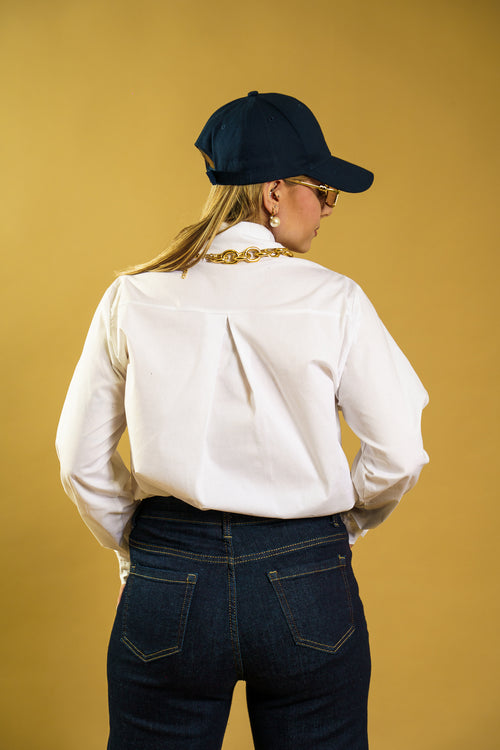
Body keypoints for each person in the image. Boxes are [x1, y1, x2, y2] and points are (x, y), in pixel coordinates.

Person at [56, 91, 429, 750]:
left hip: (170, 577)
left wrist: (140, 551)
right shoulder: (334, 300)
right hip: (307, 578)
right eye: (323, 190)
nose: (328, 208)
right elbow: (397, 453)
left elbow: (79, 461)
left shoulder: (132, 296)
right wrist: (336, 529)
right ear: (275, 192)